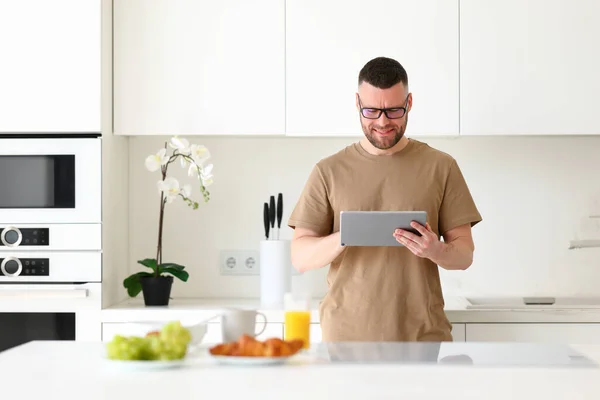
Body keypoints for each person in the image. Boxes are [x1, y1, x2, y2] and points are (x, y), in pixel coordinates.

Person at [287, 56, 482, 342]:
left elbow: (464, 255)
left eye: (393, 111)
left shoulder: (441, 167)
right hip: (345, 339)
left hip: (423, 337)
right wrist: (345, 236)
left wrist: (433, 249)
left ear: (410, 103)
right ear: (357, 103)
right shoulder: (328, 171)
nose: (382, 122)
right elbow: (300, 257)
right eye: (371, 111)